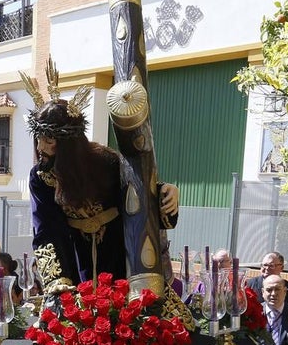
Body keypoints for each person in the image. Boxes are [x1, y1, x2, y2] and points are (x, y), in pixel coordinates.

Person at [25, 96, 179, 290]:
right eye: (38, 139)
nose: (40, 148)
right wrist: (57, 281)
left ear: (69, 143)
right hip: (74, 257)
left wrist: (165, 192)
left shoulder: (108, 162)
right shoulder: (40, 177)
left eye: (48, 141)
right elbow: (46, 230)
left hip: (118, 253)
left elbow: (137, 194)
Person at [246, 252, 288, 319]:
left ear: (282, 267)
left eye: (271, 266)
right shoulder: (249, 285)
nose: (266, 268)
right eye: (264, 265)